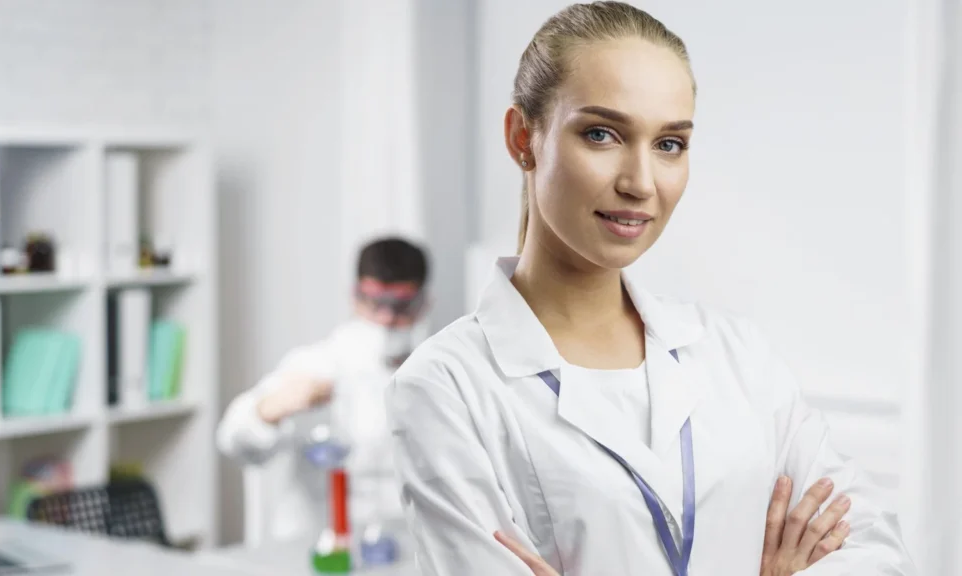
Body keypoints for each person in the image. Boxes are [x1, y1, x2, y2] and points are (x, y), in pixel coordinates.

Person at [385, 3, 915, 575]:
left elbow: (881, 555)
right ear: (523, 138)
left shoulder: (735, 355)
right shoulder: (446, 388)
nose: (640, 183)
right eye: (601, 134)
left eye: (669, 144)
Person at [217, 236, 429, 543]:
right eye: (375, 303)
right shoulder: (319, 364)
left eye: (401, 306)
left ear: (423, 304)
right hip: (318, 543)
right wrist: (272, 409)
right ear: (354, 298)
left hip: (402, 543)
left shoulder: (435, 374)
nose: (387, 318)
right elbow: (232, 438)